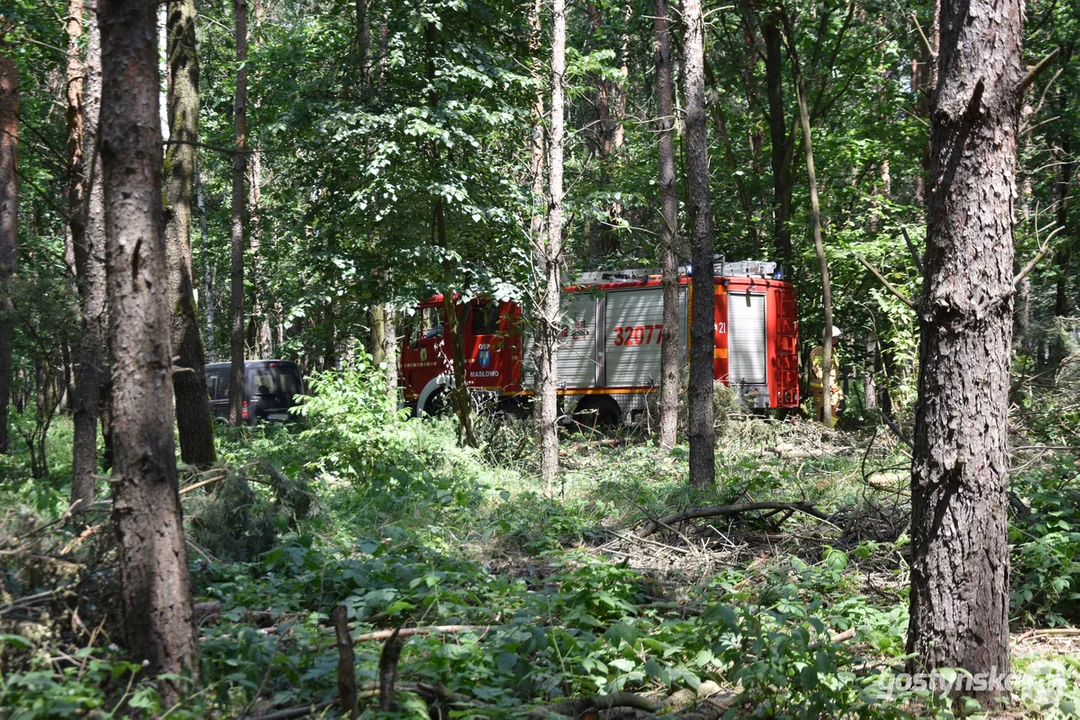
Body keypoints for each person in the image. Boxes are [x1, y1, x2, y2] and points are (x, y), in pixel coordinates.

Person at [809, 326, 843, 426]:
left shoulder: (832, 350)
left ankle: (829, 428)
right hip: (820, 388)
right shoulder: (818, 351)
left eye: (837, 337)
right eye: (834, 337)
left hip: (833, 387)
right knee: (823, 411)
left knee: (840, 406)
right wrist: (830, 384)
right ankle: (823, 431)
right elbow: (818, 370)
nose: (837, 339)